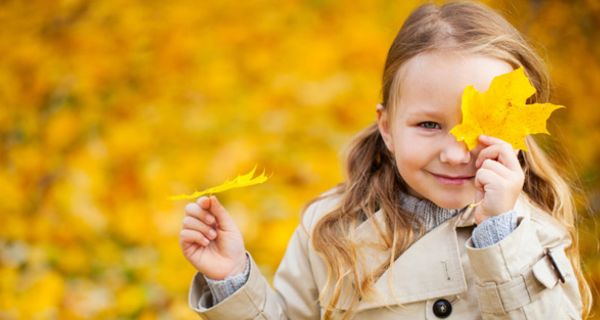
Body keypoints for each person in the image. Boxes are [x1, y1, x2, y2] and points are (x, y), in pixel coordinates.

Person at [179, 2, 592, 319]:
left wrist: (501, 237)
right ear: (388, 127)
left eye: (481, 126)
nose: (454, 153)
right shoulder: (331, 228)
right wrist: (232, 277)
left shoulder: (530, 234)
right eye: (429, 125)